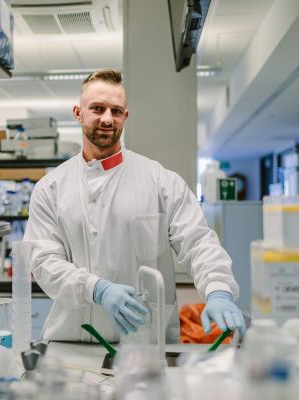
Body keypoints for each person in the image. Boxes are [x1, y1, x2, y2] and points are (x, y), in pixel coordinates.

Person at [23, 68, 245, 343]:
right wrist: (97, 289)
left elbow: (198, 241)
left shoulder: (160, 181)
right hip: (74, 340)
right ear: (78, 113)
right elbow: (44, 262)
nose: (107, 118)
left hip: (146, 340)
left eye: (116, 111)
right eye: (97, 108)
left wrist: (218, 290)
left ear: (125, 117)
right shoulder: (51, 188)